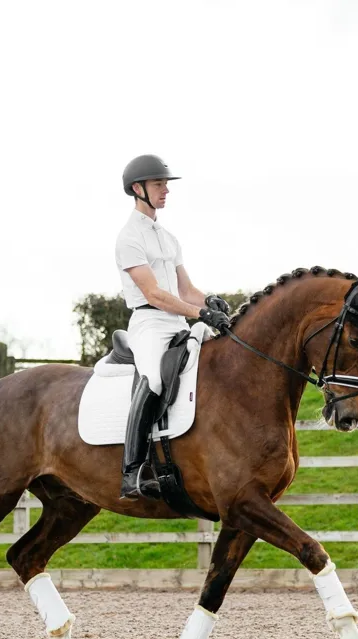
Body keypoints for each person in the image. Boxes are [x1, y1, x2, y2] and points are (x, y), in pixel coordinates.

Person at [115, 154, 231, 500]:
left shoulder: (167, 237)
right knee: (153, 377)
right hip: (149, 322)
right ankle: (131, 472)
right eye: (158, 185)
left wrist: (209, 302)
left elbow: (185, 290)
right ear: (138, 189)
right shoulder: (129, 238)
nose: (166, 190)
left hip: (176, 319)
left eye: (165, 184)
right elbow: (154, 294)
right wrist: (198, 313)